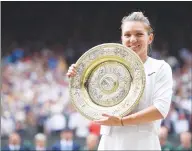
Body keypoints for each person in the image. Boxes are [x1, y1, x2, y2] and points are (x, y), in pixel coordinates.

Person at [67, 11, 173, 150]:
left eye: (139, 34)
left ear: (150, 38)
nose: (133, 39)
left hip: (143, 144)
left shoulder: (160, 68)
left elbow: (160, 110)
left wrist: (121, 121)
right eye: (127, 35)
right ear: (122, 38)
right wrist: (77, 79)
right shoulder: (105, 66)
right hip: (110, 143)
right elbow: (87, 106)